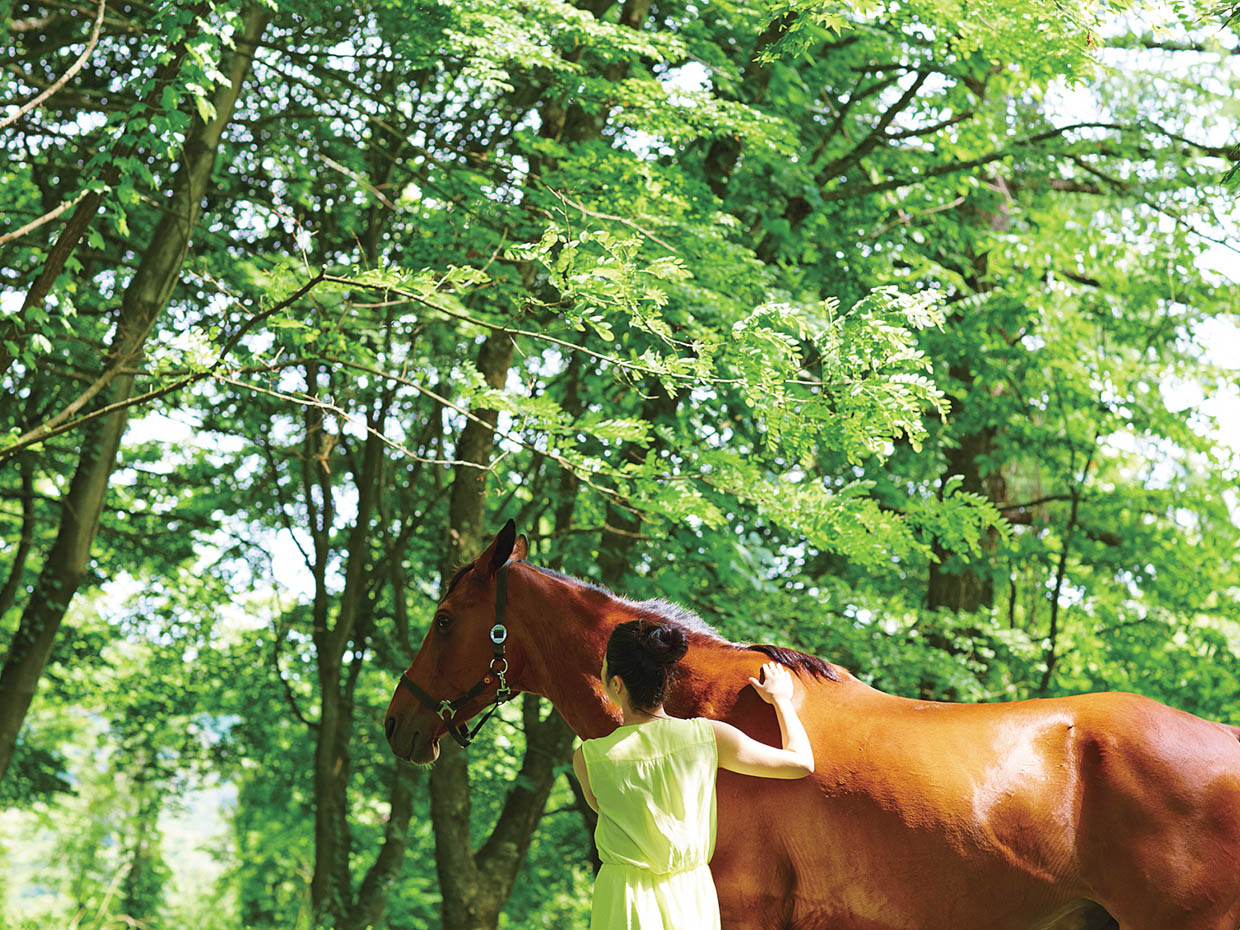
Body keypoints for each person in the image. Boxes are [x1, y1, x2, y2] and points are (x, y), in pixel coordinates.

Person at [572, 619, 815, 930]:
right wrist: (781, 700)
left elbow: (604, 809)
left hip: (623, 901)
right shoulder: (707, 737)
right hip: (688, 898)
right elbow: (800, 763)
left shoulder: (589, 758)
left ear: (616, 684)